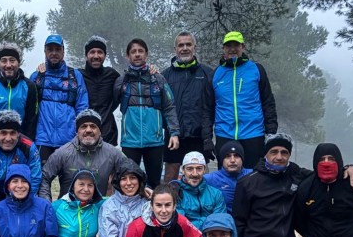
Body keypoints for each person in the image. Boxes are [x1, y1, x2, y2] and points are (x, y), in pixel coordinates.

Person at [115, 38, 180, 188]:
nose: (137, 54)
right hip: (130, 142)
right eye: (133, 52)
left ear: (146, 54)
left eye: (140, 51)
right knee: (129, 183)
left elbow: (169, 106)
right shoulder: (122, 81)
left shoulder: (158, 78)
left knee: (155, 184)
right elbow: (108, 104)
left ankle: (153, 211)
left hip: (155, 141)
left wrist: (174, 133)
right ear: (127, 56)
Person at [211, 31, 277, 168]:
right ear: (223, 48)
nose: (232, 49)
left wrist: (271, 131)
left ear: (243, 46)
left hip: (253, 134)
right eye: (228, 45)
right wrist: (207, 137)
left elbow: (268, 101)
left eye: (236, 45)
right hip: (225, 134)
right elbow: (207, 108)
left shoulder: (256, 69)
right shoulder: (215, 74)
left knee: (254, 177)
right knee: (227, 178)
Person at [39, 109, 130, 201]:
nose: (88, 130)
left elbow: (132, 172)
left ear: (100, 131)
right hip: (68, 210)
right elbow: (44, 177)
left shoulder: (113, 153)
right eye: (83, 126)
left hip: (99, 210)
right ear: (77, 131)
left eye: (93, 126)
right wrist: (46, 204)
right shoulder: (62, 153)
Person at [162, 31, 215, 184]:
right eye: (181, 45)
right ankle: (168, 206)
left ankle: (203, 206)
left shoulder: (207, 73)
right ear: (175, 49)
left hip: (199, 135)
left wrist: (208, 134)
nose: (184, 48)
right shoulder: (165, 75)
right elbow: (162, 107)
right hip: (174, 135)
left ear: (194, 47)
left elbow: (213, 105)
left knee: (201, 177)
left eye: (188, 44)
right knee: (170, 178)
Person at [30, 34, 89, 163]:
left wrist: (81, 133)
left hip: (69, 139)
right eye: (50, 49)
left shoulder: (75, 76)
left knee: (70, 181)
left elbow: (82, 107)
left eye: (57, 49)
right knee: (41, 181)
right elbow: (28, 108)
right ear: (45, 52)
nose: (54, 53)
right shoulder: (36, 76)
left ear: (63, 51)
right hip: (42, 139)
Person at [0, 41, 38, 138]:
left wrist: (28, 143)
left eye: (12, 60)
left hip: (20, 139)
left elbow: (31, 120)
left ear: (18, 62)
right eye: (4, 60)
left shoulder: (29, 86)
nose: (8, 65)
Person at [80, 36, 120, 146]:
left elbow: (130, 82)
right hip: (85, 134)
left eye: (100, 52)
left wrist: (151, 69)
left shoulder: (112, 74)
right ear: (86, 56)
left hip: (108, 134)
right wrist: (44, 68)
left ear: (105, 55)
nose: (96, 56)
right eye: (92, 52)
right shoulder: (78, 75)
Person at [171, 151, 226, 229]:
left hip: (212, 236)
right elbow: (180, 224)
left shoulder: (216, 194)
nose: (195, 174)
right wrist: (208, 220)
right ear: (183, 170)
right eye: (190, 169)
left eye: (199, 169)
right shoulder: (175, 193)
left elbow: (220, 221)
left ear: (204, 170)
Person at [205, 141, 252, 213]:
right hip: (224, 220)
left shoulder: (253, 175)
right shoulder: (211, 178)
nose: (232, 160)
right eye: (227, 156)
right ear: (222, 160)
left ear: (242, 159)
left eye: (236, 156)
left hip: (250, 219)